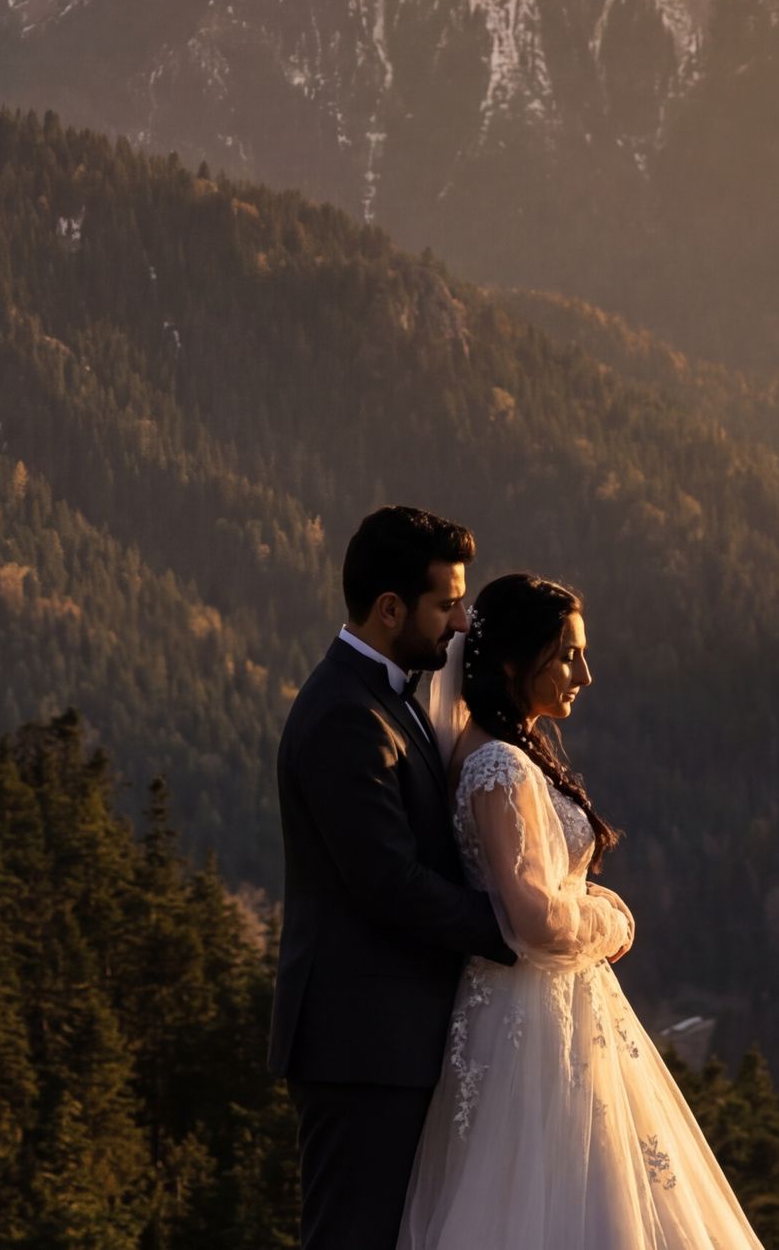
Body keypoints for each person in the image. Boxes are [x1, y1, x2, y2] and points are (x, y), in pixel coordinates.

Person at [397, 571, 764, 1249]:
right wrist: (610, 920)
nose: (584, 675)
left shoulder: (497, 751)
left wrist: (584, 896)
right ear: (514, 662)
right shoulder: (500, 765)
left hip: (542, 1008)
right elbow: (533, 917)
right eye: (567, 656)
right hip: (533, 1016)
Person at [272, 506, 515, 1250]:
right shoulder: (345, 713)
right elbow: (388, 882)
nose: (461, 622)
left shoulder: (385, 698)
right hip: (361, 1045)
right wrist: (515, 929)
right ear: (389, 608)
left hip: (390, 1038)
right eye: (446, 604)